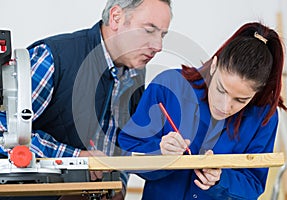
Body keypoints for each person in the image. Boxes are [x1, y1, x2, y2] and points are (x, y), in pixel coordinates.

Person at [0, 0, 172, 199]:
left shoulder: (135, 72)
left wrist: (117, 185)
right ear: (116, 18)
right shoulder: (55, 58)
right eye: (149, 30)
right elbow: (3, 130)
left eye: (163, 35)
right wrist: (77, 160)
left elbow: (122, 144)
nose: (158, 46)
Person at [118, 21, 287, 199]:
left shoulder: (263, 117)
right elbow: (127, 153)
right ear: (214, 66)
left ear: (256, 93)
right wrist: (160, 153)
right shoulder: (169, 86)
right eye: (221, 90)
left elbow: (254, 185)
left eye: (240, 100)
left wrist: (221, 180)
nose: (224, 106)